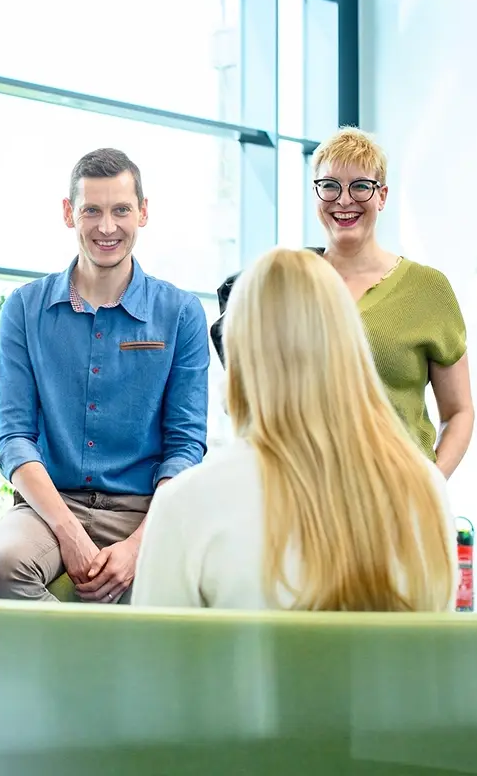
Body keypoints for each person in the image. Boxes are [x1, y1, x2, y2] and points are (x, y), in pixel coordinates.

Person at [131, 248, 457, 611]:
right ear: (351, 345)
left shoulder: (187, 504)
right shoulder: (427, 490)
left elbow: (155, 664)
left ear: (240, 355)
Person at [0, 148, 210, 604]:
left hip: (144, 510)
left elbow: (185, 445)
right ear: (69, 214)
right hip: (48, 506)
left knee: (176, 590)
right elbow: (14, 436)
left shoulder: (181, 313)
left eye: (121, 210)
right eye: (92, 211)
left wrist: (139, 547)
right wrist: (68, 531)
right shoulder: (24, 309)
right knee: (3, 568)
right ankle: (77, 672)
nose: (107, 227)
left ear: (143, 213)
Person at [208, 127, 475, 478]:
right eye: (330, 185)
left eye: (360, 186)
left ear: (382, 196)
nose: (344, 200)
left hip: (400, 500)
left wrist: (433, 481)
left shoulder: (427, 289)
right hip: (306, 499)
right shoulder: (287, 285)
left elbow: (459, 411)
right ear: (316, 194)